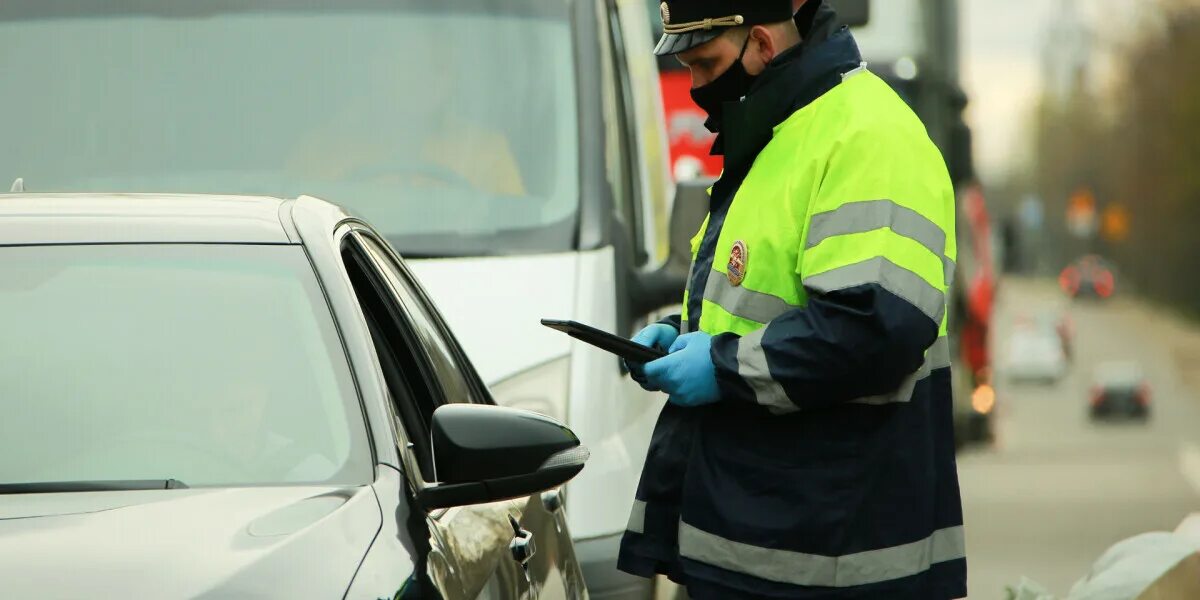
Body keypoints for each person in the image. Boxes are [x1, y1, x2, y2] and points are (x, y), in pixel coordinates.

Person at [618, 1, 966, 598]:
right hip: (761, 550)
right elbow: (775, 303)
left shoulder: (870, 137)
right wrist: (687, 334)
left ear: (762, 43)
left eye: (705, 63)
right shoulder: (779, 133)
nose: (695, 85)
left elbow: (876, 328)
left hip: (833, 563)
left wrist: (722, 366)